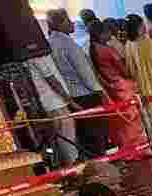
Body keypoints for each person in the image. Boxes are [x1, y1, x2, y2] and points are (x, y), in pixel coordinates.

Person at [46, 8, 109, 158]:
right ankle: (102, 167)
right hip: (85, 95)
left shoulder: (52, 42)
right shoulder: (67, 44)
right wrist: (101, 92)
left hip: (72, 96)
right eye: (68, 20)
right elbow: (84, 72)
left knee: (85, 136)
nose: (72, 23)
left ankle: (96, 166)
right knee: (95, 135)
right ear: (60, 23)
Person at [87, 20, 145, 150]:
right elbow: (124, 70)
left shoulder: (93, 49)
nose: (111, 34)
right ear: (100, 34)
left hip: (110, 88)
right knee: (133, 119)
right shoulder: (107, 50)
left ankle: (127, 148)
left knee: (122, 121)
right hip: (122, 86)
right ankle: (138, 148)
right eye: (108, 32)